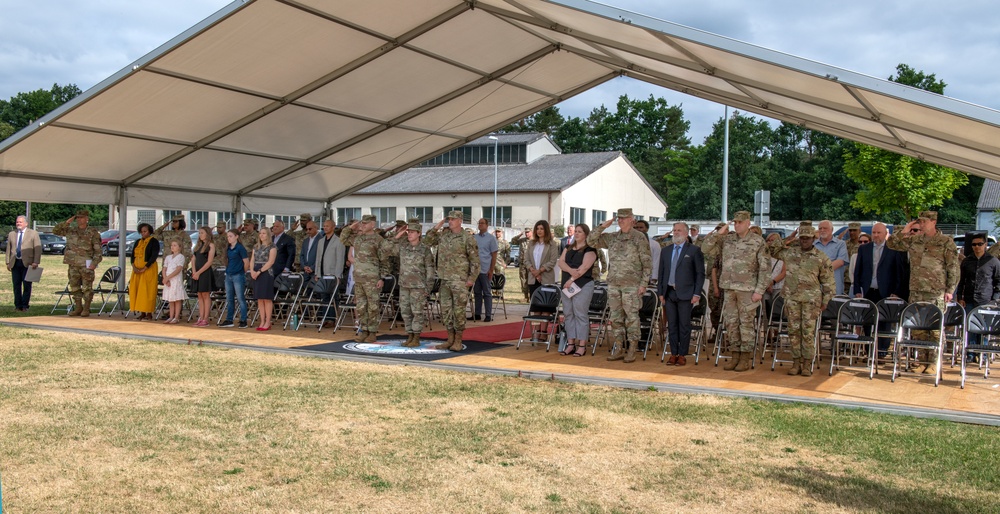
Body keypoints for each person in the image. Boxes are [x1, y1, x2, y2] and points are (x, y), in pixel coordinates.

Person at [886, 211, 960, 375]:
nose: (921, 224)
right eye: (919, 221)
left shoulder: (945, 242)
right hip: (916, 291)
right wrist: (905, 230)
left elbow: (953, 267)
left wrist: (950, 290)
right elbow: (891, 244)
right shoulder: (914, 240)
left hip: (936, 292)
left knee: (934, 329)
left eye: (924, 221)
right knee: (918, 328)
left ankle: (933, 363)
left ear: (933, 222)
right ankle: (922, 361)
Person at [701, 211, 769, 372]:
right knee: (731, 324)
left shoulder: (758, 242)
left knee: (745, 325)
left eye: (740, 222)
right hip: (729, 288)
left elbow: (765, 269)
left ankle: (745, 358)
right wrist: (720, 232)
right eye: (735, 222)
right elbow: (705, 248)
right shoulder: (727, 240)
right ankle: (735, 356)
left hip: (748, 289)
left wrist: (759, 290)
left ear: (748, 223)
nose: (737, 225)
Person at [766, 223, 835, 376]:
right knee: (794, 331)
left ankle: (807, 364)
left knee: (808, 333)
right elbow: (771, 249)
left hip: (811, 301)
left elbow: (828, 281)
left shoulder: (820, 257)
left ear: (813, 239)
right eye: (802, 238)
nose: (804, 241)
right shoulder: (790, 253)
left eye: (807, 238)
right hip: (792, 299)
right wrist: (789, 238)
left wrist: (826, 300)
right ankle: (796, 362)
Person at [587, 208, 652, 363]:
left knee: (631, 317)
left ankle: (632, 348)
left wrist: (644, 283)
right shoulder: (613, 237)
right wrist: (603, 226)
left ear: (632, 219)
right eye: (619, 218)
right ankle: (619, 347)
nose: (620, 221)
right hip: (614, 284)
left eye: (624, 218)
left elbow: (647, 263)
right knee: (616, 317)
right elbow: (591, 241)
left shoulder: (639, 238)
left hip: (632, 285)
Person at [425, 211, 480, 351]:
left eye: (453, 219)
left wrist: (471, 279)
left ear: (460, 220)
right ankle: (450, 339)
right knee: (446, 311)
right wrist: (438, 226)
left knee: (459, 311)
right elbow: (427, 241)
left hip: (459, 280)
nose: (450, 221)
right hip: (445, 279)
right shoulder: (444, 235)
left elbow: (475, 261)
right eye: (449, 219)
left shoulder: (467, 238)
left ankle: (458, 340)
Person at [657, 222, 705, 366]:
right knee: (672, 324)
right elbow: (661, 273)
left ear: (686, 233)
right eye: (674, 230)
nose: (676, 233)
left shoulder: (694, 250)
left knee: (684, 324)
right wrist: (661, 292)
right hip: (669, 292)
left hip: (686, 293)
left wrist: (697, 293)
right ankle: (673, 353)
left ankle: (682, 354)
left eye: (679, 230)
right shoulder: (666, 250)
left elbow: (700, 274)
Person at [339, 215, 394, 343]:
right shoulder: (358, 238)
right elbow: (343, 238)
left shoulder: (379, 240)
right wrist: (350, 227)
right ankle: (364, 330)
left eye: (365, 223)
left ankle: (372, 332)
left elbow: (385, 261)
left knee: (373, 306)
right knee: (361, 306)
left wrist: (382, 278)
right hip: (359, 278)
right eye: (361, 223)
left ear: (372, 224)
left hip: (372, 279)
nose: (362, 225)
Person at [391, 223, 436, 346]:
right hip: (404, 285)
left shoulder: (425, 250)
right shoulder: (403, 247)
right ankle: (409, 335)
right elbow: (386, 248)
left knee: (417, 312)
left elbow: (430, 269)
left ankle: (416, 337)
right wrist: (398, 234)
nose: (409, 234)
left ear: (419, 234)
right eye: (408, 232)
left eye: (412, 232)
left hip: (419, 286)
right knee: (405, 311)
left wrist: (428, 287)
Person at [557, 223, 598, 357]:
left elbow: (584, 267)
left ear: (586, 234)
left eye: (580, 232)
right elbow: (561, 262)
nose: (577, 234)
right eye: (576, 231)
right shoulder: (568, 247)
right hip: (567, 285)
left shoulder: (590, 249)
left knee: (580, 314)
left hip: (582, 284)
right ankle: (570, 344)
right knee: (568, 314)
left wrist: (571, 279)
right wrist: (569, 271)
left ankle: (581, 345)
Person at [52, 210, 102, 317]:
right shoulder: (71, 231)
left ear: (87, 219)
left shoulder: (93, 232)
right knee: (74, 287)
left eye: (82, 217)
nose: (79, 220)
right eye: (78, 218)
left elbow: (98, 250)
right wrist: (69, 221)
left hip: (86, 264)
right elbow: (56, 231)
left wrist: (94, 263)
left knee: (87, 288)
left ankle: (86, 308)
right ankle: (78, 307)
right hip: (73, 263)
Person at [957, 233, 1000, 356]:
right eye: (974, 244)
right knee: (970, 328)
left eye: (980, 244)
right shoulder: (967, 261)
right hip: (969, 299)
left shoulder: (993, 261)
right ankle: (970, 354)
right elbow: (962, 281)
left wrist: (994, 300)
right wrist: (960, 297)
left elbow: (998, 282)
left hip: (986, 300)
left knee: (984, 329)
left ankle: (982, 354)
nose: (977, 247)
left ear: (985, 245)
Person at [313, 218, 346, 328]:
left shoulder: (339, 241)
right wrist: (317, 273)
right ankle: (325, 318)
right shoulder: (321, 241)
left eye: (327, 226)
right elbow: (318, 258)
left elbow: (340, 259)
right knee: (324, 297)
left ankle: (332, 319)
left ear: (333, 227)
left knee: (333, 296)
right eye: (324, 226)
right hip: (322, 273)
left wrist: (337, 275)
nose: (325, 227)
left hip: (332, 274)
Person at [6, 215, 41, 312]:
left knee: (27, 285)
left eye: (20, 222)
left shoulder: (33, 233)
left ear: (26, 223)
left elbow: (38, 249)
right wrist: (7, 262)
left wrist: (36, 261)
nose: (18, 224)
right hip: (15, 262)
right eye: (17, 222)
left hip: (28, 263)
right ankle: (18, 306)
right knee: (16, 285)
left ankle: (25, 305)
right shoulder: (12, 234)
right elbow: (9, 248)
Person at [128, 223, 160, 321]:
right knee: (138, 290)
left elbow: (153, 256)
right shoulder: (138, 241)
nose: (143, 233)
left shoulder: (154, 241)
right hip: (137, 270)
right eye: (141, 232)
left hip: (148, 269)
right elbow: (132, 255)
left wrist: (144, 268)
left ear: (150, 231)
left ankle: (149, 314)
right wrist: (134, 267)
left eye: (145, 231)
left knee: (147, 291)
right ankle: (142, 313)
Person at [220, 229, 250, 329]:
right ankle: (229, 319)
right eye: (228, 236)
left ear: (237, 236)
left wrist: (242, 272)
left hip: (238, 275)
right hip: (229, 274)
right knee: (229, 298)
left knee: (240, 298)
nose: (229, 238)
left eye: (231, 236)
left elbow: (246, 262)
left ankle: (243, 320)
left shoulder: (240, 248)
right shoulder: (228, 248)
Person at [470, 218, 499, 322]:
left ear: (487, 225)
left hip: (485, 269)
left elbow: (494, 254)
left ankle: (488, 315)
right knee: (477, 292)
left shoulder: (491, 238)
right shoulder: (474, 237)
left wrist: (491, 269)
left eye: (482, 223)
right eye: (479, 223)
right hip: (475, 270)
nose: (480, 225)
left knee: (487, 293)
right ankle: (477, 314)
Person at [525, 220, 559, 298]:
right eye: (537, 229)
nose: (539, 231)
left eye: (541, 229)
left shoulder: (552, 244)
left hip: (546, 279)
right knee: (535, 306)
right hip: (533, 278)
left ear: (546, 230)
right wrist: (534, 272)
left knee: (545, 307)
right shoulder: (531, 243)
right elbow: (526, 259)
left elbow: (552, 261)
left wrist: (539, 271)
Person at [251, 229, 277, 331]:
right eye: (260, 233)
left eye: (264, 233)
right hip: (256, 272)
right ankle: (262, 320)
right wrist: (252, 271)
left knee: (266, 298)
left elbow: (270, 262)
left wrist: (259, 271)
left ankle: (268, 321)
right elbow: (252, 259)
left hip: (266, 273)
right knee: (260, 298)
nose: (261, 235)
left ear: (268, 235)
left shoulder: (272, 247)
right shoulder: (256, 246)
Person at [813, 220, 849, 295]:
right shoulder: (813, 245)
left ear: (832, 230)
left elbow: (840, 262)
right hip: (816, 288)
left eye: (825, 228)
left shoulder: (840, 244)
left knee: (835, 306)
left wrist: (821, 270)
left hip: (834, 288)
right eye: (820, 228)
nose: (822, 230)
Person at [191, 226, 217, 326]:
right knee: (199, 295)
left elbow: (209, 261)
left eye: (202, 232)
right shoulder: (198, 246)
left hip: (205, 272)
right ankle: (200, 317)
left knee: (205, 295)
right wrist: (194, 271)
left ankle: (205, 318)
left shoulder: (211, 245)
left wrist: (199, 272)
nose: (200, 235)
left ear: (207, 234)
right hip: (196, 272)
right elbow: (193, 259)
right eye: (199, 233)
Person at [160, 240, 187, 324]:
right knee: (171, 299)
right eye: (171, 245)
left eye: (175, 245)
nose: (172, 247)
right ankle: (171, 316)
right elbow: (164, 268)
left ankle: (176, 317)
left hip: (176, 280)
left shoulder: (181, 257)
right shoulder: (168, 257)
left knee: (177, 299)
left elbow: (178, 269)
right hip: (168, 281)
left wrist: (168, 277)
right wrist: (165, 279)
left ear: (179, 247)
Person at [634, 220, 662, 286]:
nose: (638, 229)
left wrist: (654, 278)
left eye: (641, 227)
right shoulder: (629, 243)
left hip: (647, 278)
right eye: (636, 227)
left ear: (647, 229)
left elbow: (656, 261)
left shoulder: (654, 244)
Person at [510, 226, 533, 301]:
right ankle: (525, 296)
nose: (527, 234)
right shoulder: (522, 240)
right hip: (523, 264)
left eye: (528, 232)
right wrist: (520, 235)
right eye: (526, 232)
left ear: (531, 232)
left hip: (531, 264)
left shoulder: (535, 241)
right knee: (523, 279)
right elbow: (513, 241)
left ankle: (531, 295)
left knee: (531, 279)